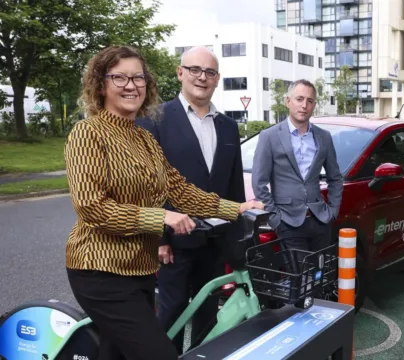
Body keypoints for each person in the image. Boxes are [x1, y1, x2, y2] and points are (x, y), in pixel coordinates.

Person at [64, 45, 262, 360]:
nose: (131, 85)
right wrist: (162, 219)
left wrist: (235, 208)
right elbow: (92, 208)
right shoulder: (88, 133)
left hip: (140, 269)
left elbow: (178, 188)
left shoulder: (142, 138)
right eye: (120, 77)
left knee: (115, 352)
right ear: (101, 85)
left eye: (138, 78)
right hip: (100, 271)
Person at [136, 46, 245, 354]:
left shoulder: (228, 127)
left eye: (209, 72)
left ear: (217, 79)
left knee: (208, 314)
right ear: (180, 72)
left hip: (215, 240)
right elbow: (148, 186)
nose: (202, 77)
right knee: (171, 313)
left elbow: (234, 186)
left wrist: (235, 236)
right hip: (175, 242)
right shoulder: (154, 120)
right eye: (195, 70)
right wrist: (159, 239)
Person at [252, 79, 343, 270]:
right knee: (301, 279)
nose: (304, 105)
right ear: (288, 101)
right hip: (288, 221)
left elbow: (335, 177)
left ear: (314, 105)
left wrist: (333, 210)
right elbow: (259, 183)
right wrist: (276, 218)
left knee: (320, 276)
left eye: (309, 101)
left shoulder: (323, 137)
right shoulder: (269, 136)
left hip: (320, 220)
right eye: (299, 99)